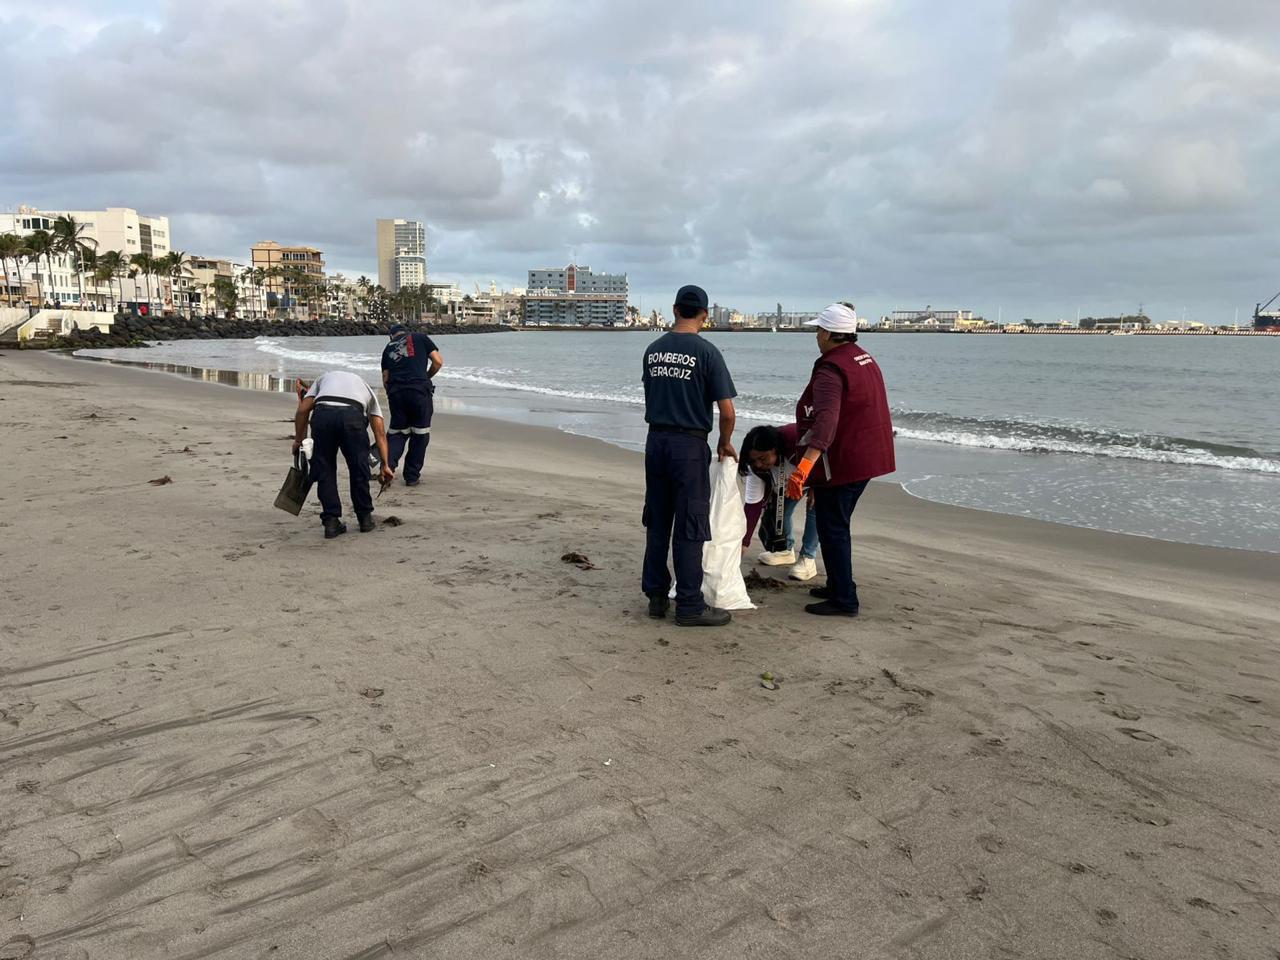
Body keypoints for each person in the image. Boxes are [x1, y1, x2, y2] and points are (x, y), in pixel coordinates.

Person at [787, 303, 895, 617]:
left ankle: (844, 599)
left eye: (820, 330)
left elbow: (826, 421)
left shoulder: (830, 368)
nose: (816, 335)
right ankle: (837, 584)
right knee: (836, 522)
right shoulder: (863, 358)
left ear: (833, 334)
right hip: (871, 455)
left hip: (847, 460)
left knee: (833, 526)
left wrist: (805, 466)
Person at [641, 284, 738, 627]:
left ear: (674, 309)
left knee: (657, 520)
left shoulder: (653, 350)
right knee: (690, 524)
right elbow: (727, 411)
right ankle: (689, 605)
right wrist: (725, 441)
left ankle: (655, 596)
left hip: (656, 442)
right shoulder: (707, 353)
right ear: (705, 316)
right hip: (689, 446)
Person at [292, 369, 395, 539]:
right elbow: (380, 434)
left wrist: (298, 440)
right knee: (359, 467)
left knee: (324, 468)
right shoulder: (366, 389)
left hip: (323, 415)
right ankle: (365, 519)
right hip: (352, 417)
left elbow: (303, 410)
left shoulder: (322, 379)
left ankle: (331, 522)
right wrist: (385, 465)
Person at [740, 424, 821, 581]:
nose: (758, 464)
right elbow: (752, 506)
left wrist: (819, 485)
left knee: (815, 508)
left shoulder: (796, 441)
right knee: (779, 512)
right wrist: (744, 542)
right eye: (753, 460)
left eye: (762, 458)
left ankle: (807, 558)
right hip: (787, 483)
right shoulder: (755, 468)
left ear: (775, 449)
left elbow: (824, 448)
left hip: (815, 473)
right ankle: (785, 550)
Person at [380, 323, 443, 486]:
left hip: (396, 392)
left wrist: (392, 394)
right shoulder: (420, 338)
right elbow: (438, 362)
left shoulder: (387, 348)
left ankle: (388, 469)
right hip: (419, 391)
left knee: (397, 432)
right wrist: (426, 377)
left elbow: (385, 378)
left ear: (391, 336)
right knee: (420, 433)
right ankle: (411, 476)